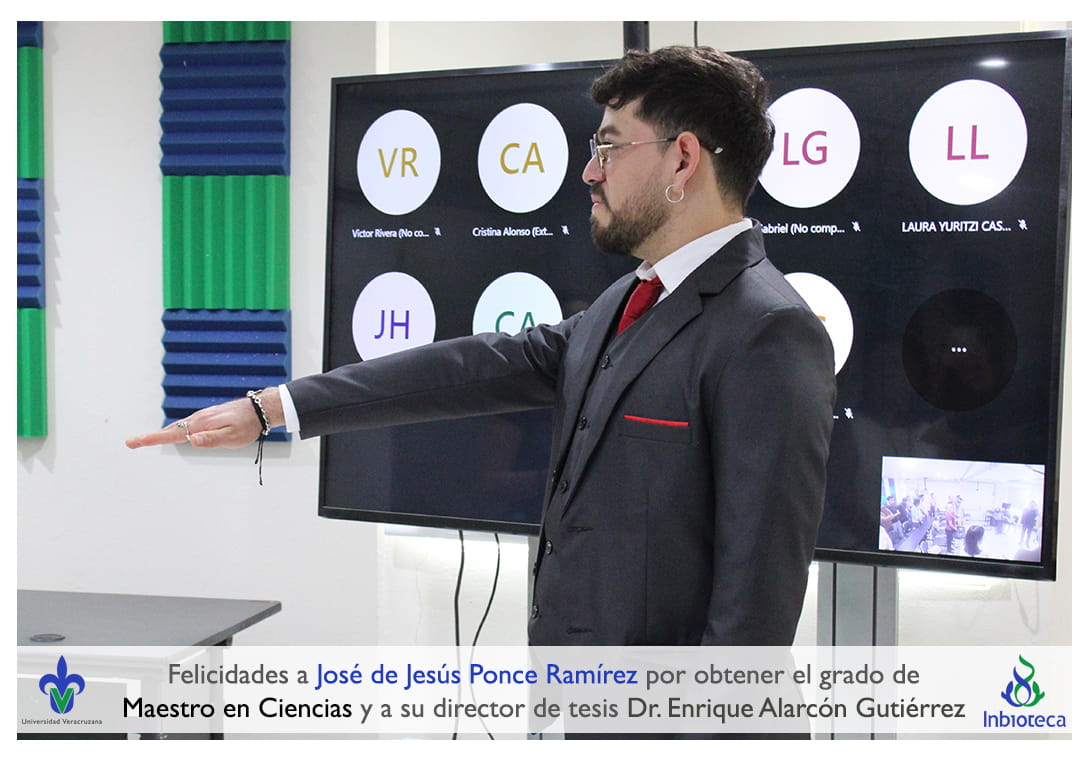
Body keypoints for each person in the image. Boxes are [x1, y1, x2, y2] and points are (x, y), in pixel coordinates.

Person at [128, 46, 836, 651]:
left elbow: (753, 614)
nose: (590, 172)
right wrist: (275, 407)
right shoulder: (627, 301)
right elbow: (466, 369)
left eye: (610, 147)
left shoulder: (769, 330)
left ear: (682, 158)